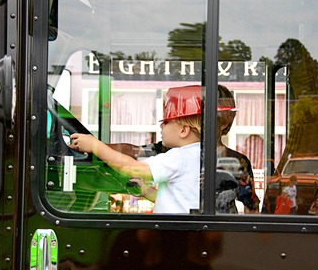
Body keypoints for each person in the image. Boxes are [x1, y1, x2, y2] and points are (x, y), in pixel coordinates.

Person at [108, 84, 261, 214]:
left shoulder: (237, 162)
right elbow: (132, 151)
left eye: (210, 119)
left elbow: (251, 206)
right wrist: (91, 147)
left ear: (224, 123)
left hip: (221, 238)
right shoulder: (170, 150)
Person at [69, 85, 203, 214]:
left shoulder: (179, 156)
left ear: (184, 130)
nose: (161, 125)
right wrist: (146, 191)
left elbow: (134, 168)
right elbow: (176, 200)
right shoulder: (199, 156)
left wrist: (95, 146)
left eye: (166, 122)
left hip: (171, 232)